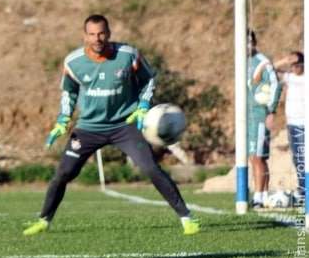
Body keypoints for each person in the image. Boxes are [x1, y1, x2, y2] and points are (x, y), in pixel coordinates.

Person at [22, 14, 199, 236]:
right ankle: (44, 220)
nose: (97, 38)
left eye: (102, 33)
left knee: (150, 168)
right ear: (84, 36)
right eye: (92, 34)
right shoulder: (73, 62)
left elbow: (149, 79)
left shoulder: (128, 55)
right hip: (88, 128)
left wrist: (144, 104)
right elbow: (69, 92)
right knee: (63, 173)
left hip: (125, 125)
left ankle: (187, 218)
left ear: (109, 33)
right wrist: (63, 120)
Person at [247, 31, 282, 209]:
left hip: (260, 114)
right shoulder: (242, 62)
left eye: (249, 42)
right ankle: (261, 195)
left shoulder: (262, 61)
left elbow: (276, 84)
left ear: (254, 43)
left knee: (258, 156)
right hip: (247, 116)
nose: (247, 46)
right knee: (253, 157)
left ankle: (260, 197)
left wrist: (271, 110)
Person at [271, 51, 304, 204]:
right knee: (298, 158)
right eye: (293, 65)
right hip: (293, 123)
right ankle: (303, 189)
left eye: (298, 65)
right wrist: (285, 60)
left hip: (306, 122)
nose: (295, 68)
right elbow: (269, 69)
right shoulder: (289, 77)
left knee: (305, 157)